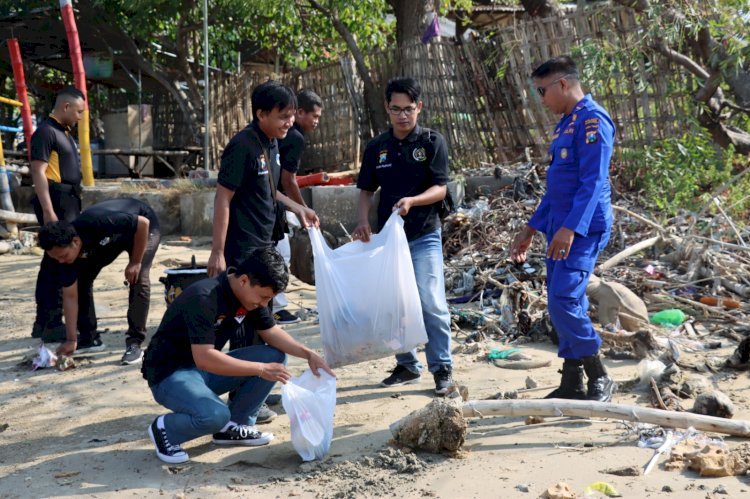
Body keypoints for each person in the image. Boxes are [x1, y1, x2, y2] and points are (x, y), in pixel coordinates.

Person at [141, 247, 335, 464]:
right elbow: (204, 357)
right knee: (215, 415)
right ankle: (166, 429)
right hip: (170, 374)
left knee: (274, 357)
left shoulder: (249, 296)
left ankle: (234, 426)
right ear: (244, 280)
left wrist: (308, 354)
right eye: (263, 297)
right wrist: (260, 369)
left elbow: (271, 332)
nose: (263, 304)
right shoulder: (204, 297)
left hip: (202, 371)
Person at [207, 80, 319, 422]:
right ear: (260, 114)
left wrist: (297, 208)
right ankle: (240, 399)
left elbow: (269, 192)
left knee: (260, 325)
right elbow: (223, 197)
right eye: (283, 116)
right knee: (244, 326)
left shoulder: (271, 144)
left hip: (263, 247)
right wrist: (217, 251)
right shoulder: (242, 146)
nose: (289, 122)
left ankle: (255, 389)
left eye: (290, 116)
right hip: (242, 251)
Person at [509, 55, 616, 402]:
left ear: (563, 84)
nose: (541, 100)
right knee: (563, 299)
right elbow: (557, 188)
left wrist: (570, 229)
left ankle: (598, 373)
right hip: (559, 225)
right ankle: (572, 381)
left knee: (563, 299)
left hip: (582, 228)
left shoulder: (593, 122)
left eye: (542, 91)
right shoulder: (567, 124)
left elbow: (592, 182)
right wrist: (530, 228)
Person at [352, 77, 454, 396]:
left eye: (408, 109)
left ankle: (442, 367)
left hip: (424, 234)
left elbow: (441, 189)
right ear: (387, 108)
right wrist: (362, 222)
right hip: (388, 239)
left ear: (418, 107)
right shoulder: (377, 147)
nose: (402, 116)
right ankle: (407, 364)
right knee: (393, 305)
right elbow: (366, 190)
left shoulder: (432, 142)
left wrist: (413, 201)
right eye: (395, 109)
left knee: (430, 302)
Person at [38, 198, 161, 365]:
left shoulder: (97, 222)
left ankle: (134, 342)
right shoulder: (62, 258)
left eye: (63, 256)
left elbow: (143, 223)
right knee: (81, 282)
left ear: (75, 242)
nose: (60, 261)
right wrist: (71, 339)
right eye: (56, 258)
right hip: (108, 243)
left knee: (138, 277)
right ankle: (89, 338)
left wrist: (135, 261)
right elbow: (70, 297)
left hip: (141, 229)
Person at [30, 86, 86, 343]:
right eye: (78, 111)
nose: (80, 117)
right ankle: (50, 322)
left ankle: (45, 321)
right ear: (65, 107)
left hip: (68, 199)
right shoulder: (45, 132)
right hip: (56, 201)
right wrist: (48, 211)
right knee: (58, 259)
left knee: (54, 260)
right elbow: (38, 173)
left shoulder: (62, 133)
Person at [273, 89, 324, 325]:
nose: (316, 121)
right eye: (313, 116)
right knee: (280, 254)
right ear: (299, 112)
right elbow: (288, 179)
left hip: (271, 199)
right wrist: (301, 208)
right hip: (273, 203)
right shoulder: (294, 137)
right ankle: (276, 307)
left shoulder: (281, 134)